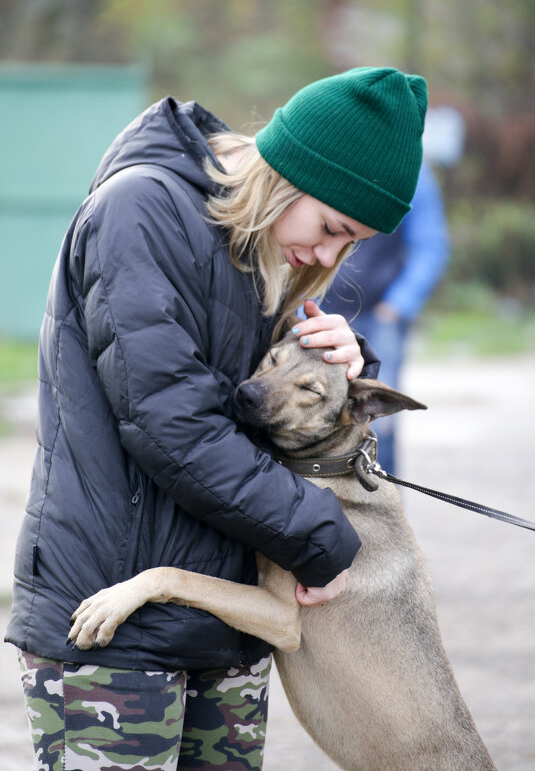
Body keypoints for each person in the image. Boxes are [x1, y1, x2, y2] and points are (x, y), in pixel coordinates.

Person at [6, 66, 427, 771]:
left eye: (348, 244)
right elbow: (173, 425)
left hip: (223, 635)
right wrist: (321, 537)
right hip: (115, 630)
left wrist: (347, 366)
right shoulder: (141, 211)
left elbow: (279, 416)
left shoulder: (255, 245)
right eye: (330, 227)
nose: (328, 256)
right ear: (290, 173)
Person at [322, 160, 449, 475]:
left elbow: (430, 245)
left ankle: (382, 507)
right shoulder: (334, 156)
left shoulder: (415, 174)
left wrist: (397, 305)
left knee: (377, 421)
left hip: (380, 318)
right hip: (323, 312)